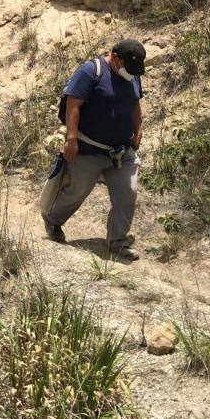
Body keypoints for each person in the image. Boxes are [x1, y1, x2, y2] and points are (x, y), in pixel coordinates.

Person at [40, 39, 146, 261]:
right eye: (127, 68)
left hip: (121, 151)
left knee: (128, 194)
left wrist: (138, 130)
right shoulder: (90, 71)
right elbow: (73, 104)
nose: (130, 73)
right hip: (89, 149)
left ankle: (117, 241)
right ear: (115, 57)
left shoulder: (133, 74)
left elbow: (135, 104)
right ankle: (53, 219)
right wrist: (71, 139)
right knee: (76, 192)